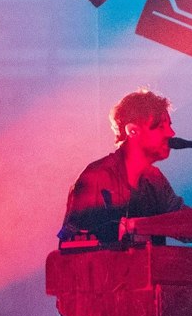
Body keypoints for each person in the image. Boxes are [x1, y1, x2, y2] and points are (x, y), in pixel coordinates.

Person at [59, 88, 184, 245]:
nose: (171, 133)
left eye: (169, 126)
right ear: (133, 131)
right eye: (161, 127)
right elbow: (71, 244)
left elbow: (184, 222)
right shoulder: (97, 176)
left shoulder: (156, 179)